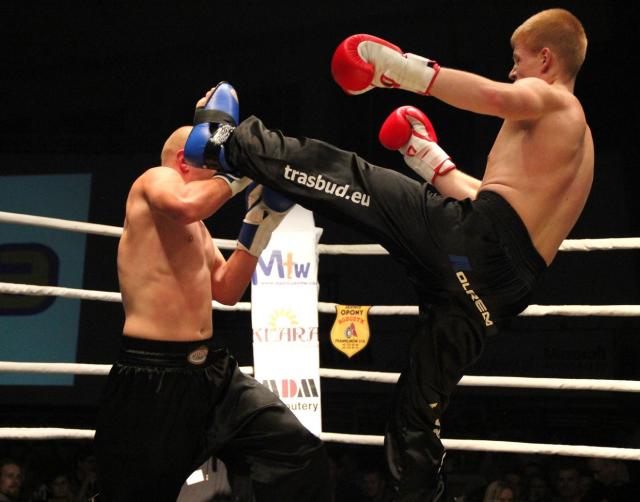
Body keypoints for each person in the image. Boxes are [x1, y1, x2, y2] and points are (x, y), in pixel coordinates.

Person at [185, 8, 592, 502]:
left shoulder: (554, 101)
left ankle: (229, 144)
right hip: (497, 293)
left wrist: (398, 69)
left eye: (519, 59)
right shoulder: (580, 148)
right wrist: (429, 159)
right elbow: (495, 205)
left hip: (476, 244)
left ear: (546, 59)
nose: (512, 71)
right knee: (415, 417)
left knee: (355, 180)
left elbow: (492, 97)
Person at [93, 83, 330, 501]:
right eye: (215, 156)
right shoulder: (155, 181)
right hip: (153, 378)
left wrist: (259, 223)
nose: (221, 164)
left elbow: (227, 289)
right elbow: (188, 204)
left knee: (297, 451)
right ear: (184, 160)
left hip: (212, 377)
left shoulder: (197, 229)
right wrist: (239, 171)